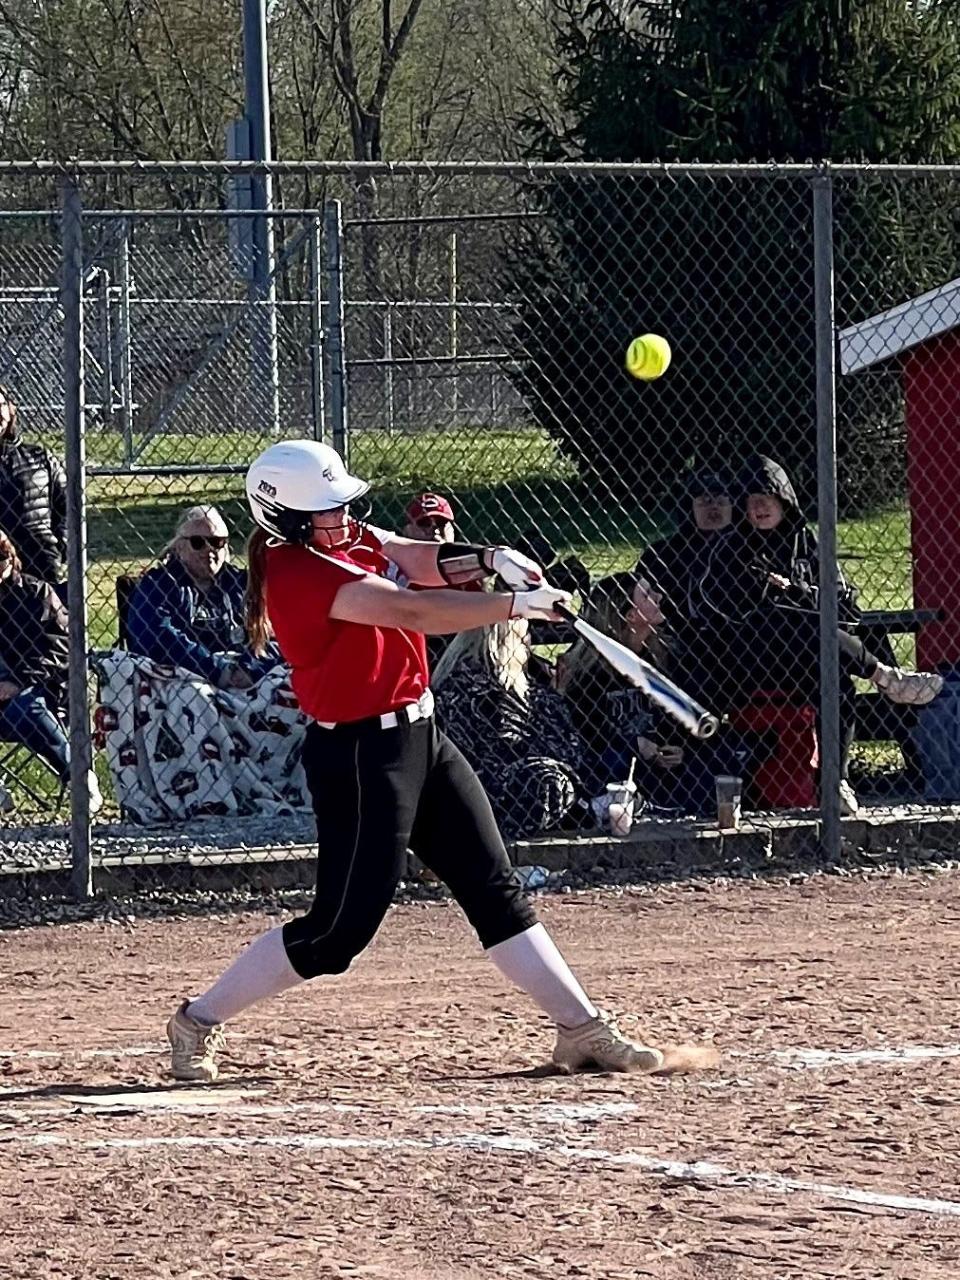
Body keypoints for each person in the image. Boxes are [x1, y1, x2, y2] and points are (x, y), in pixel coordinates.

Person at [165, 440, 708, 1083]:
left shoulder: (344, 538)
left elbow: (412, 555)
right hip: (361, 758)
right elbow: (411, 608)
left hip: (421, 735)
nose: (343, 516)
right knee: (338, 934)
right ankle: (195, 1021)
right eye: (327, 509)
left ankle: (582, 1028)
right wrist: (514, 604)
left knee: (493, 886)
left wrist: (490, 558)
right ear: (284, 516)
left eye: (344, 504)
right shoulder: (300, 573)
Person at [694, 454, 943, 815]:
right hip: (748, 659)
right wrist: (786, 601)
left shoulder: (807, 544)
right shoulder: (731, 548)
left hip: (807, 658)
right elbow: (720, 606)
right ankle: (887, 677)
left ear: (784, 500)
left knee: (837, 674)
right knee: (798, 621)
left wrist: (795, 593)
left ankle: (834, 782)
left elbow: (848, 608)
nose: (759, 506)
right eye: (751, 499)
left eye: (766, 496)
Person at [562, 571, 732, 814]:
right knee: (615, 761)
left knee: (710, 760)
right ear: (631, 615)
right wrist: (635, 744)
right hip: (619, 764)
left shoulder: (666, 656)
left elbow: (682, 714)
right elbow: (586, 731)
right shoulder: (590, 672)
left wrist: (680, 749)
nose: (659, 596)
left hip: (663, 764)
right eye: (647, 595)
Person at [432, 618, 586, 839]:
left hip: (459, 788)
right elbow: (550, 748)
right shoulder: (492, 694)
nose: (529, 642)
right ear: (509, 641)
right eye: (525, 636)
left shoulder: (455, 680)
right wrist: (556, 696)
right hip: (497, 791)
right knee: (548, 780)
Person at [0, 528, 102, 812]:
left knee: (26, 708)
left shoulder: (38, 594)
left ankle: (79, 780)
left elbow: (62, 649)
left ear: (11, 558)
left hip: (41, 689)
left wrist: (18, 682)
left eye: (1, 555)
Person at [127, 504, 278, 688]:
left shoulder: (243, 584)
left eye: (217, 542)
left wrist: (250, 668)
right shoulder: (158, 585)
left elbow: (278, 632)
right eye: (197, 542)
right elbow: (156, 636)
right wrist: (216, 670)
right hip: (187, 677)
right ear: (179, 547)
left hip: (246, 674)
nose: (209, 549)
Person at [636, 466, 735, 629]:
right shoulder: (660, 554)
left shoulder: (747, 550)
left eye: (721, 500)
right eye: (706, 501)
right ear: (690, 507)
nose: (714, 507)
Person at [0, 387, 67, 585]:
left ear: (10, 410)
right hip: (2, 568)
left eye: (0, 405)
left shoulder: (40, 457)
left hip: (43, 564)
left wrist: (60, 548)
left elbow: (68, 506)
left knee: (55, 615)